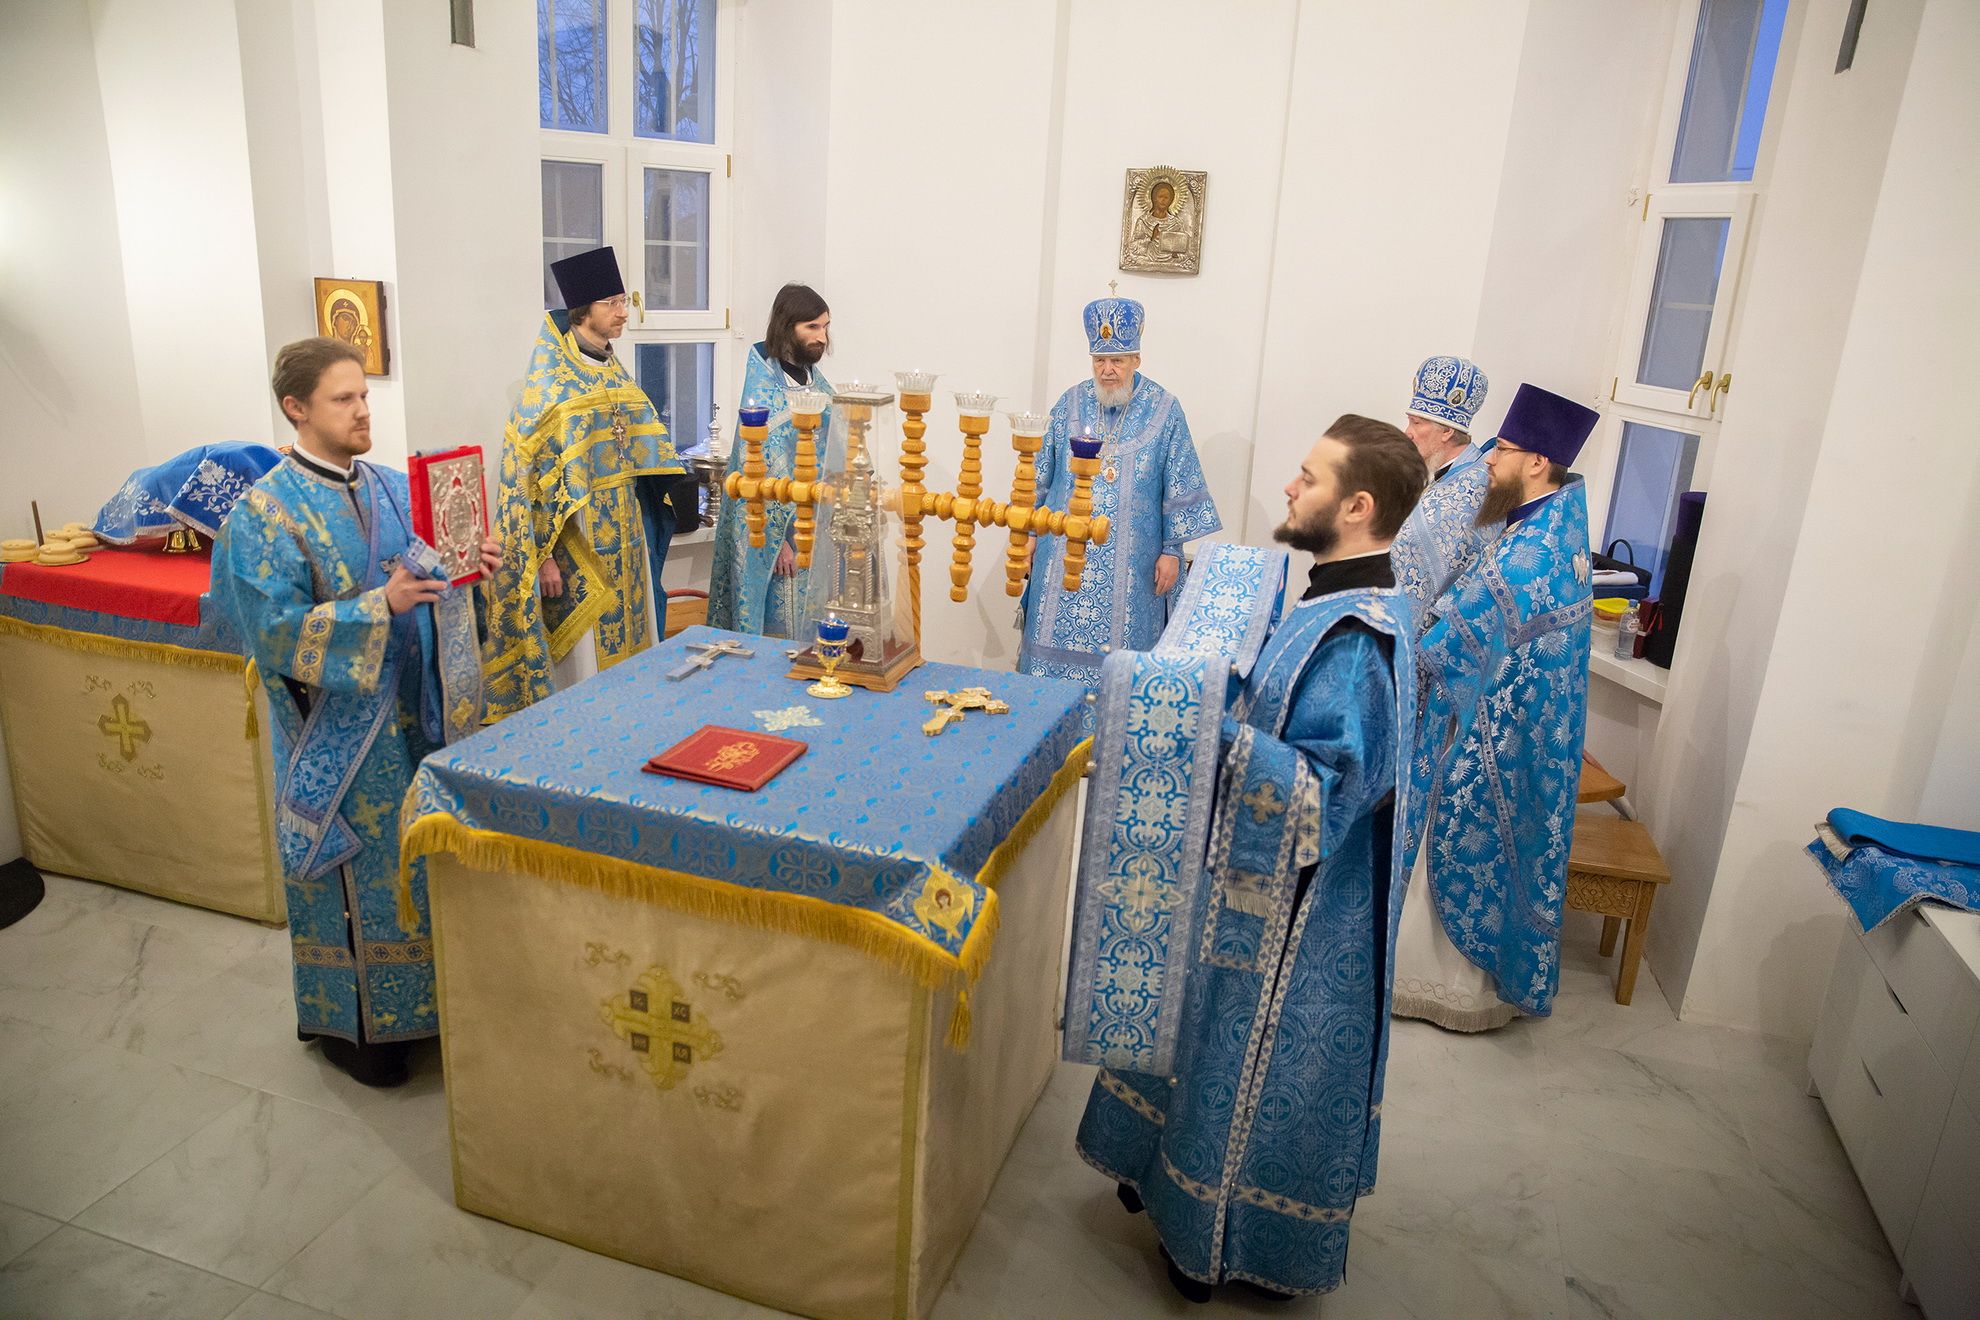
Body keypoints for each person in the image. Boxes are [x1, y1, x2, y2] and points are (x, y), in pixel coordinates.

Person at [1072, 415, 1427, 1302]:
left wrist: (1201, 725)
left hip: (1296, 922)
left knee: (1240, 1066)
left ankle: (1213, 1236)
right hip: (1251, 878)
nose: (1289, 487)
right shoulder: (1334, 597)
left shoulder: (1360, 640)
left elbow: (1323, 796)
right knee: (1197, 1036)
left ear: (1357, 506)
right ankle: (1159, 1178)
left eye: (1308, 477)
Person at [211, 337, 497, 1086]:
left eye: (365, 395)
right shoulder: (264, 515)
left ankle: (428, 1008)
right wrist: (380, 606)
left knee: (414, 865)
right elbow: (271, 631)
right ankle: (359, 1029)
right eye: (344, 399)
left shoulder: (394, 490)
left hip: (412, 722)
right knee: (352, 874)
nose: (363, 410)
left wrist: (470, 570)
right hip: (337, 738)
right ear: (297, 408)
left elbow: (433, 584)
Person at [1393, 383, 1599, 1031]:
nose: (1487, 460)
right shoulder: (1552, 526)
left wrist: (1414, 636)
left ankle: (1447, 990)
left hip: (1490, 736)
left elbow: (1453, 642)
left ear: (1537, 462)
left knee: (1459, 845)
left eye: (1502, 450)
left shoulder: (1530, 555)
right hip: (1506, 725)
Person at [482, 246, 684, 720]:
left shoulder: (615, 373)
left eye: (623, 301)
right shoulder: (550, 386)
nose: (623, 312)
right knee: (585, 671)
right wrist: (544, 556)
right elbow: (527, 482)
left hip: (628, 537)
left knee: (636, 653)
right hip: (578, 545)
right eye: (612, 303)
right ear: (582, 309)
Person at [1018, 293, 1219, 718]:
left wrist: (1172, 551)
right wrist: (1029, 533)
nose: (1107, 370)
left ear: (1136, 359)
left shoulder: (1165, 410)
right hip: (1063, 558)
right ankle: (1042, 727)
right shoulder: (1069, 404)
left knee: (1123, 662)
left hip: (1134, 567)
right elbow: (1039, 474)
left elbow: (1178, 480)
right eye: (1099, 361)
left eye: (1117, 361)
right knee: (1048, 652)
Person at [707, 282, 835, 637]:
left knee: (816, 635)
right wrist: (776, 544)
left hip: (816, 532)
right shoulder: (764, 390)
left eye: (825, 326)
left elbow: (841, 448)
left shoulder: (817, 385)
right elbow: (758, 474)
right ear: (787, 327)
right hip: (780, 542)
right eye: (812, 327)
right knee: (780, 635)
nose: (822, 337)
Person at [1389, 354, 1495, 624]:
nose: (1407, 432)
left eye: (1417, 423)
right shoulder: (1449, 472)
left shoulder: (1474, 486)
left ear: (1447, 431)